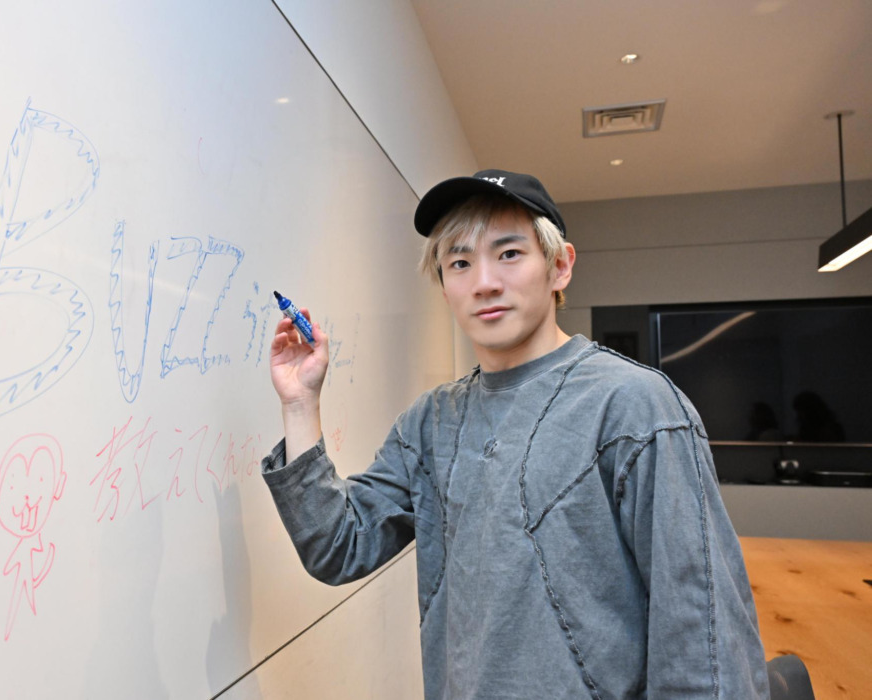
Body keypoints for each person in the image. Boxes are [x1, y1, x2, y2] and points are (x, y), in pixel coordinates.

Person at [261, 170, 770, 699]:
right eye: (459, 262)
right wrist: (300, 404)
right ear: (444, 286)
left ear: (559, 266)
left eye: (509, 254)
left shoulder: (635, 407)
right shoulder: (431, 422)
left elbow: (703, 637)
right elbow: (339, 547)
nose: (484, 282)